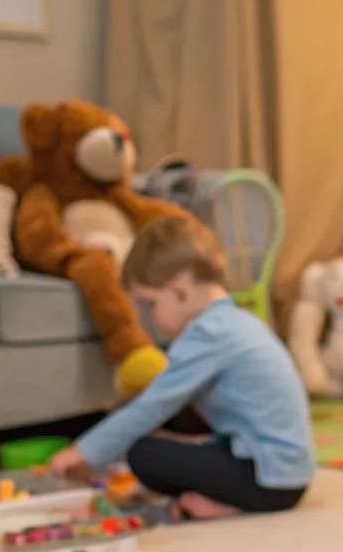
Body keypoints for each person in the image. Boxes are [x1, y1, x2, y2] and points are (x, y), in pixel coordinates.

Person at [50, 217, 314, 518]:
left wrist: (84, 451)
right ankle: (226, 496)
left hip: (270, 482)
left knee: (144, 453)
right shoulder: (236, 321)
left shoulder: (207, 333)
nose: (151, 316)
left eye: (150, 304)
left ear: (178, 291)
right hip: (288, 475)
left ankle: (234, 504)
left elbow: (151, 406)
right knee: (170, 417)